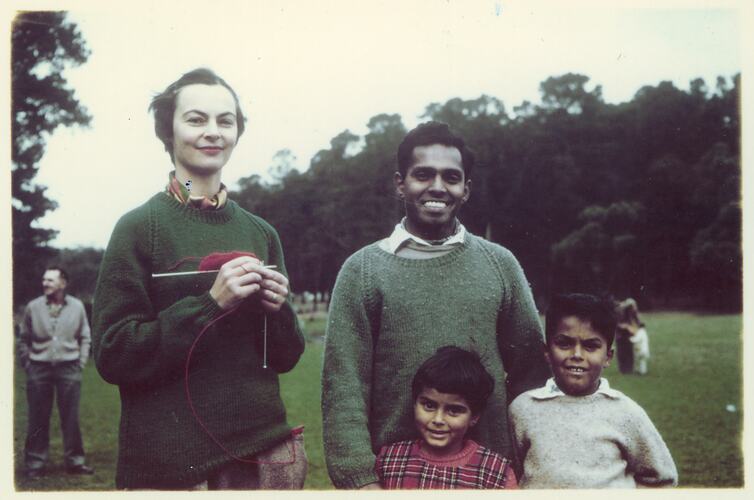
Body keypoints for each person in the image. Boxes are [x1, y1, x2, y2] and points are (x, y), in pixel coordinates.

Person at [91, 68, 306, 490]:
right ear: (166, 131)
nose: (213, 132)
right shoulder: (138, 227)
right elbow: (113, 354)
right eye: (196, 119)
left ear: (237, 133)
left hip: (263, 458)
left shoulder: (262, 232)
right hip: (173, 468)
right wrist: (211, 304)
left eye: (225, 121)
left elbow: (285, 357)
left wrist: (278, 310)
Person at [321, 121, 550, 489]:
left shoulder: (499, 263)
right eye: (423, 175)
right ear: (401, 183)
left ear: (466, 189)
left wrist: (521, 465)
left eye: (451, 177)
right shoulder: (362, 271)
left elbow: (531, 373)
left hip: (487, 476)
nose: (437, 187)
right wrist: (359, 481)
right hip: (393, 477)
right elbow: (344, 385)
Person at [509, 293, 677, 488]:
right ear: (547, 351)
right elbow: (510, 474)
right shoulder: (522, 409)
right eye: (564, 343)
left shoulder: (627, 413)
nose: (577, 355)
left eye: (590, 346)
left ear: (608, 356)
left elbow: (662, 478)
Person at [375, 346, 518, 489]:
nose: (438, 420)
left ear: (474, 416)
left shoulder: (496, 473)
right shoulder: (389, 460)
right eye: (429, 406)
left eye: (454, 410)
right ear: (414, 403)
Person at [17, 266, 94, 478]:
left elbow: (85, 336)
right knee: (37, 418)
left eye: (50, 280)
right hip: (38, 369)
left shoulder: (77, 307)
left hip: (69, 368)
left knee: (70, 418)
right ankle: (35, 465)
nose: (45, 283)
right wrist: (29, 364)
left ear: (62, 283)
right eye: (44, 280)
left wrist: (80, 363)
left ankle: (75, 463)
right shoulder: (33, 307)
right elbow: (23, 338)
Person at [615, 298, 650, 375]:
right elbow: (618, 324)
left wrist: (636, 329)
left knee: (630, 352)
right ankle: (623, 370)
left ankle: (629, 369)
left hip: (630, 335)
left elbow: (640, 323)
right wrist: (626, 326)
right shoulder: (621, 312)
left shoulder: (634, 313)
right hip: (621, 335)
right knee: (622, 352)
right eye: (633, 307)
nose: (634, 308)